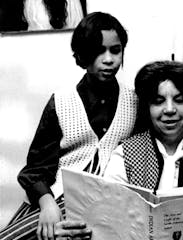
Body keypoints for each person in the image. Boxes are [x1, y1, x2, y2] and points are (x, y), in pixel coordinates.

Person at [0, 11, 137, 240]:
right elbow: (35, 170)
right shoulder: (61, 102)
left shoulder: (134, 102)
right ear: (82, 55)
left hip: (103, 202)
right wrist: (47, 205)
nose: (108, 59)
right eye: (98, 51)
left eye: (115, 50)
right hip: (54, 197)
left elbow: (163, 120)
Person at [104, 60, 183, 191]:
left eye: (179, 100)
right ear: (146, 108)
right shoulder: (124, 155)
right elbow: (109, 205)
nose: (170, 109)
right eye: (158, 101)